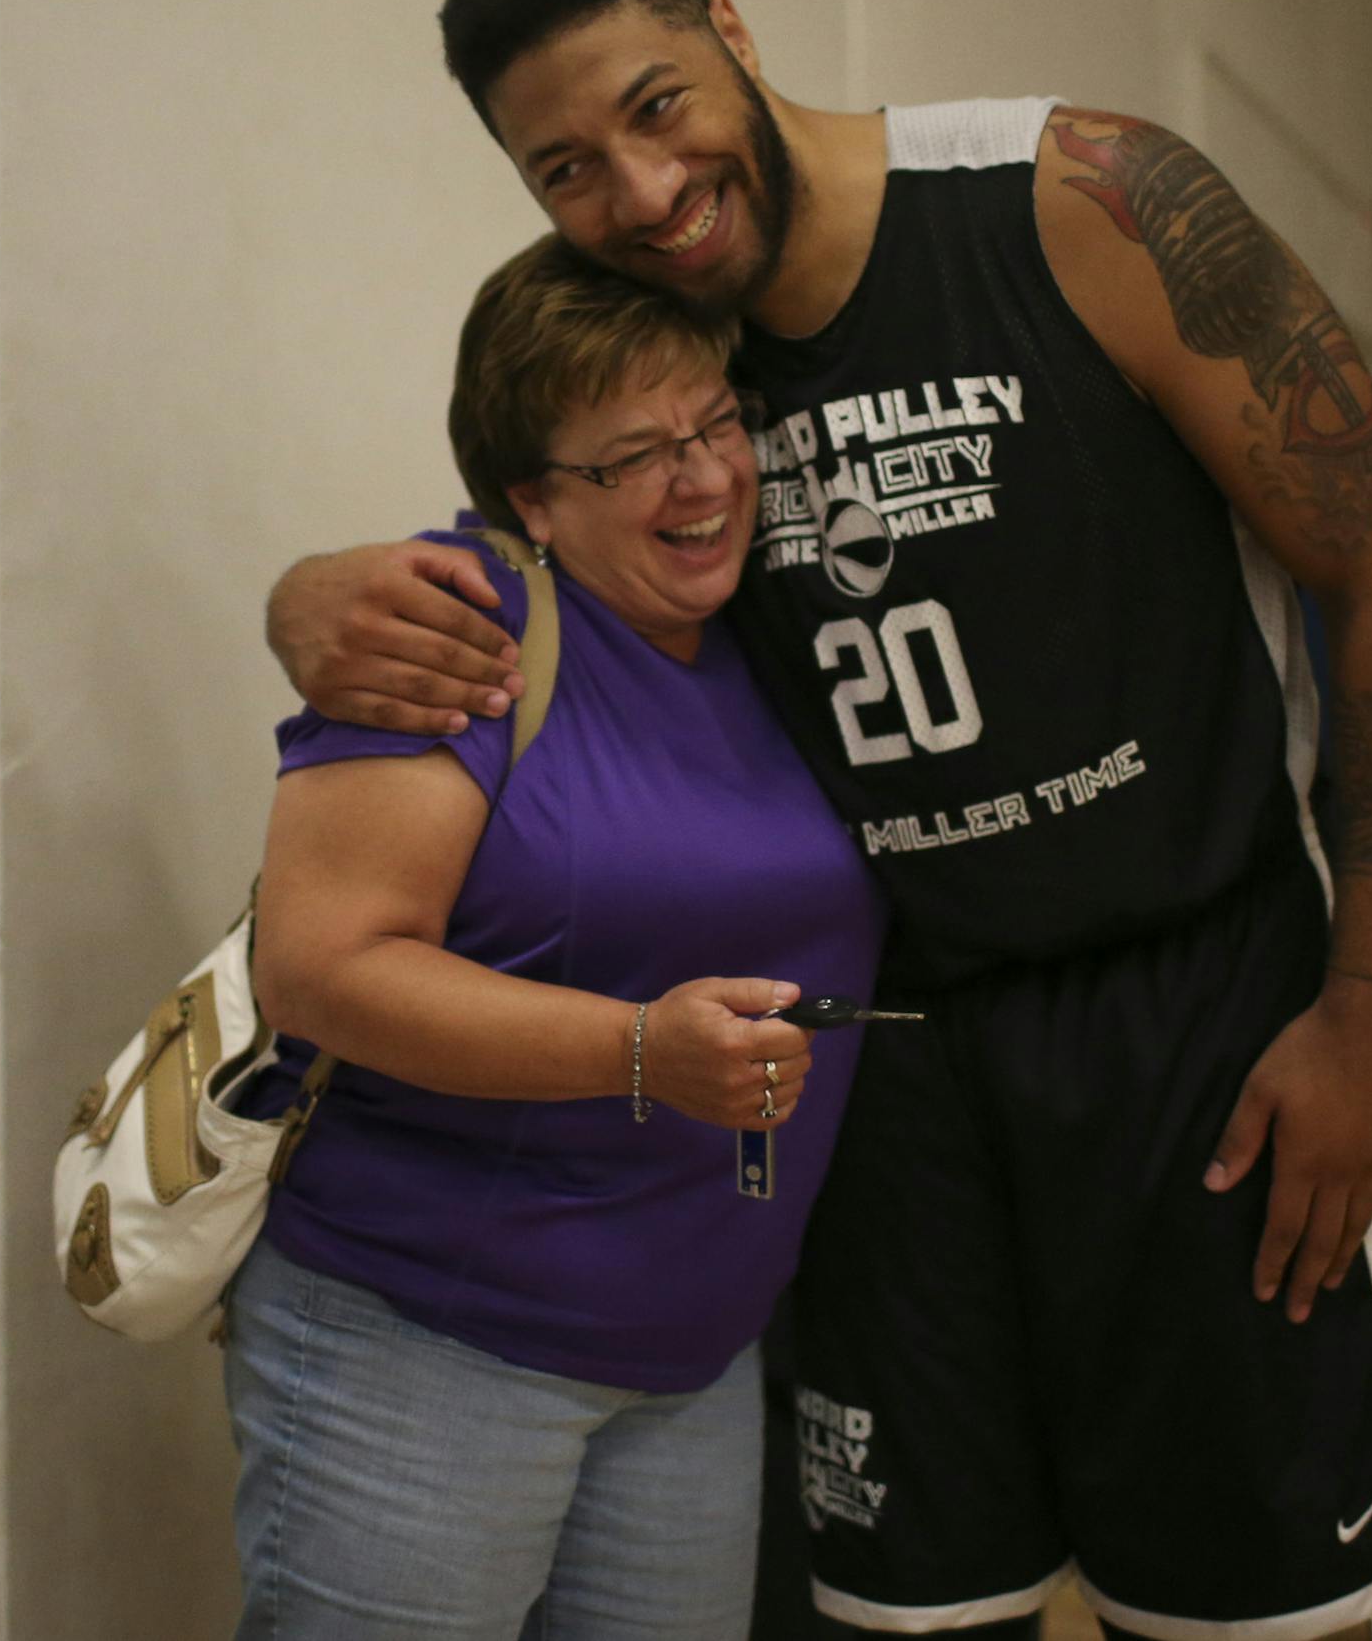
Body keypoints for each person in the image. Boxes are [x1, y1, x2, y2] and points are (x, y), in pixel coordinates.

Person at [262, 0, 1372, 1640]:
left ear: (733, 31)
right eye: (565, 167)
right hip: (888, 1073)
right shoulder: (660, 340)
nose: (640, 188)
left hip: (1194, 1019)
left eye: (656, 104)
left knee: (1252, 1613)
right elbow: (525, 541)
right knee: (910, 1617)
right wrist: (304, 601)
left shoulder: (1081, 199)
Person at [223, 233, 887, 1639]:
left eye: (717, 421)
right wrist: (643, 1049)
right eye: (632, 454)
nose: (702, 477)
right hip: (425, 1342)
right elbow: (323, 966)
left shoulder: (769, 626)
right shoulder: (460, 630)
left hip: (692, 1360)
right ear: (531, 493)